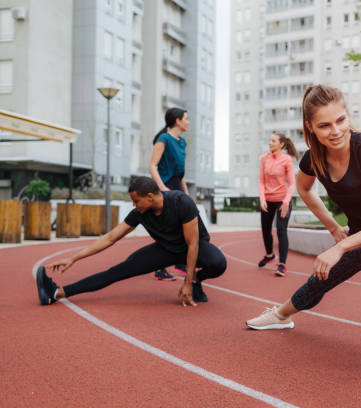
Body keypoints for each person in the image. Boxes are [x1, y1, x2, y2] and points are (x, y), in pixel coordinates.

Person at [246, 85, 361, 390]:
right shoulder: (313, 159)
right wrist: (334, 227)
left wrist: (340, 246)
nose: (336, 131)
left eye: (341, 120)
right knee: (322, 276)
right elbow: (304, 189)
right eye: (324, 125)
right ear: (310, 127)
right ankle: (282, 315)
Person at [35, 176, 226, 307]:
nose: (134, 205)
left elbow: (192, 244)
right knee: (116, 272)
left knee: (218, 263)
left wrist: (189, 281)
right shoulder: (139, 214)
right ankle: (56, 293)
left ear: (150, 197)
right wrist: (73, 258)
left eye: (136, 201)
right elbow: (110, 238)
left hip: (195, 247)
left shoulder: (181, 202)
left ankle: (197, 281)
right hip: (165, 250)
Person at [149, 107, 190, 281]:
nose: (188, 122)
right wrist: (162, 188)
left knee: (184, 225)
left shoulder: (182, 142)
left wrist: (186, 193)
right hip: (165, 186)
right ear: (177, 121)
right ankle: (160, 268)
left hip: (177, 185)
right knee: (167, 227)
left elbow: (181, 172)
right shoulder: (163, 139)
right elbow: (152, 165)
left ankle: (180, 262)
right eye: (186, 118)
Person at [257, 132, 298, 277]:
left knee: (281, 230)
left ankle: (282, 265)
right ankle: (269, 255)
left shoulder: (287, 160)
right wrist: (262, 199)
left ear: (281, 144)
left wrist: (286, 202)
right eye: (269, 140)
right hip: (267, 201)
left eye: (273, 141)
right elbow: (261, 181)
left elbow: (292, 184)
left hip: (282, 201)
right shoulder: (264, 159)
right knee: (265, 230)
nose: (270, 143)